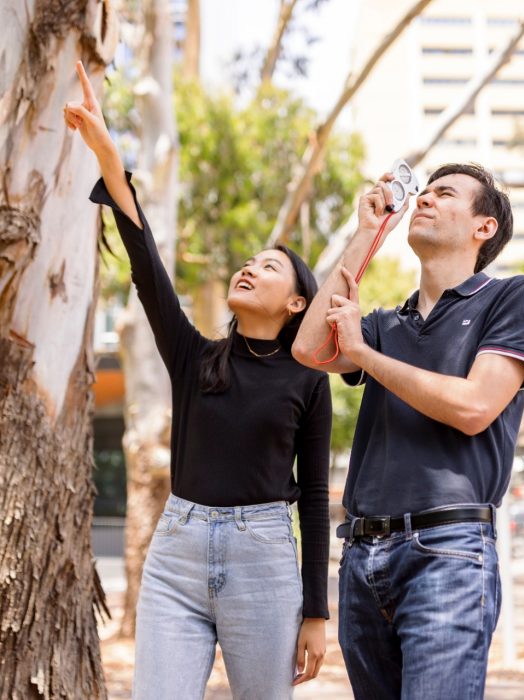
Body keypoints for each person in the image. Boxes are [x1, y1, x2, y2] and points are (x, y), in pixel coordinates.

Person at [64, 61, 331, 699]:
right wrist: (110, 160)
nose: (249, 268)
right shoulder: (195, 357)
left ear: (297, 304)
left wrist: (316, 612)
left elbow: (316, 497)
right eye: (248, 262)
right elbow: (148, 268)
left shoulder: (309, 381)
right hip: (176, 556)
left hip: (265, 561)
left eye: (269, 267)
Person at [293, 162, 524, 699]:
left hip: (449, 551)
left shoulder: (512, 297)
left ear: (485, 228)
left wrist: (364, 355)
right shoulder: (387, 324)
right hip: (362, 558)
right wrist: (367, 233)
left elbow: (476, 406)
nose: (424, 199)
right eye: (422, 192)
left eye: (444, 193)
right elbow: (309, 348)